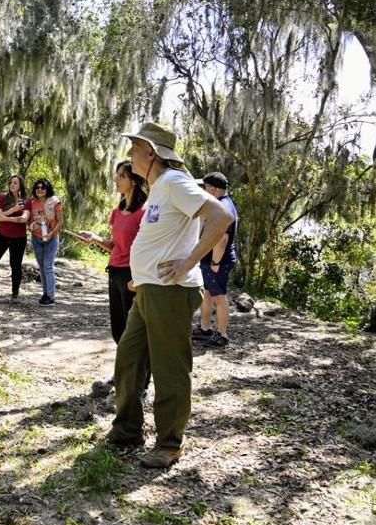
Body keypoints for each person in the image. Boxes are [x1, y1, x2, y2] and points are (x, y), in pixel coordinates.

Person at [108, 122, 234, 468]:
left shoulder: (176, 182)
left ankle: (169, 443)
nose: (130, 155)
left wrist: (190, 260)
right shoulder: (158, 189)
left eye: (135, 149)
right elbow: (162, 239)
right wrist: (142, 276)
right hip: (149, 290)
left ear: (152, 153)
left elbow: (220, 216)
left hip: (172, 292)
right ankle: (128, 430)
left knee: (169, 370)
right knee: (129, 361)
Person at [75, 162, 146, 344]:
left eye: (122, 176)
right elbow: (115, 245)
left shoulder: (144, 212)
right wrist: (94, 238)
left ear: (134, 181)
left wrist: (139, 278)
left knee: (135, 328)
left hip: (132, 274)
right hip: (114, 272)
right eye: (117, 175)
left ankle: (140, 372)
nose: (116, 180)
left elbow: (149, 248)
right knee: (118, 327)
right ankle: (123, 371)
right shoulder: (117, 211)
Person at [193, 172, 239, 349]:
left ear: (213, 189)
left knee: (219, 297)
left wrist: (215, 263)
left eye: (205, 187)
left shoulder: (223, 207)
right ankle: (205, 329)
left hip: (218, 259)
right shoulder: (221, 203)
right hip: (211, 258)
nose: (204, 191)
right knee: (208, 293)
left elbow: (222, 240)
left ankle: (222, 335)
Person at [28, 178, 64, 305]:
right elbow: (29, 220)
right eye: (37, 188)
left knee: (48, 265)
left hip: (52, 238)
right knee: (42, 267)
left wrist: (51, 234)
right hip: (37, 238)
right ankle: (45, 293)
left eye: (42, 187)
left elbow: (60, 221)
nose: (40, 190)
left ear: (47, 189)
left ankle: (51, 296)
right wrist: (33, 225)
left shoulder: (54, 202)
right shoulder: (32, 203)